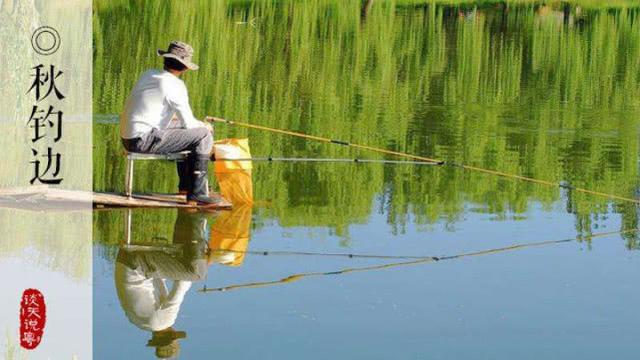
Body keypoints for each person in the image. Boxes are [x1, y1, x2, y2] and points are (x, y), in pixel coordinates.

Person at [120, 40, 219, 206]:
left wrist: (193, 124)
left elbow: (161, 113)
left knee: (190, 132)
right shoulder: (176, 85)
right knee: (204, 135)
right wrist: (205, 126)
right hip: (142, 140)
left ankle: (186, 188)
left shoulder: (148, 74)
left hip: (128, 137)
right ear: (185, 67)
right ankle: (198, 193)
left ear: (165, 60)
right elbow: (189, 123)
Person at [115, 209, 211, 358]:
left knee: (197, 273)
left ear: (172, 335)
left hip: (136, 264)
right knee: (183, 257)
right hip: (124, 259)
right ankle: (185, 214)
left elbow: (181, 286)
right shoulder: (138, 322)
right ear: (155, 338)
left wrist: (204, 260)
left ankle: (196, 216)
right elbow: (160, 278)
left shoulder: (164, 322)